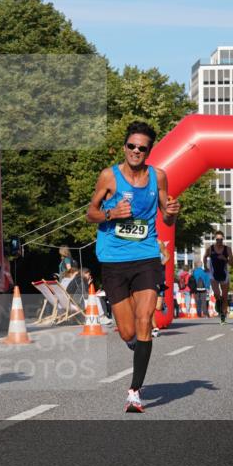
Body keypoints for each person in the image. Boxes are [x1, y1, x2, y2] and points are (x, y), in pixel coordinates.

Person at [86, 121, 180, 413]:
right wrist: (111, 213)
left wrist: (173, 214)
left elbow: (166, 218)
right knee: (127, 332)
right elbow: (91, 213)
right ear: (124, 147)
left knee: (144, 320)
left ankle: (135, 391)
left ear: (149, 151)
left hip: (146, 256)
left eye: (142, 148)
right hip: (114, 260)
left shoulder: (158, 177)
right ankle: (134, 345)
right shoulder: (108, 177)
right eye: (132, 146)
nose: (136, 151)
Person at [204, 231, 233, 324]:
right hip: (213, 275)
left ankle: (223, 317)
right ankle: (218, 301)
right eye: (217, 239)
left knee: (225, 297)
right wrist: (206, 266)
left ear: (223, 239)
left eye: (221, 239)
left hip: (224, 274)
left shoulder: (228, 249)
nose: (219, 241)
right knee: (217, 294)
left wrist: (225, 259)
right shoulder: (210, 249)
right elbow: (205, 257)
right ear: (215, 239)